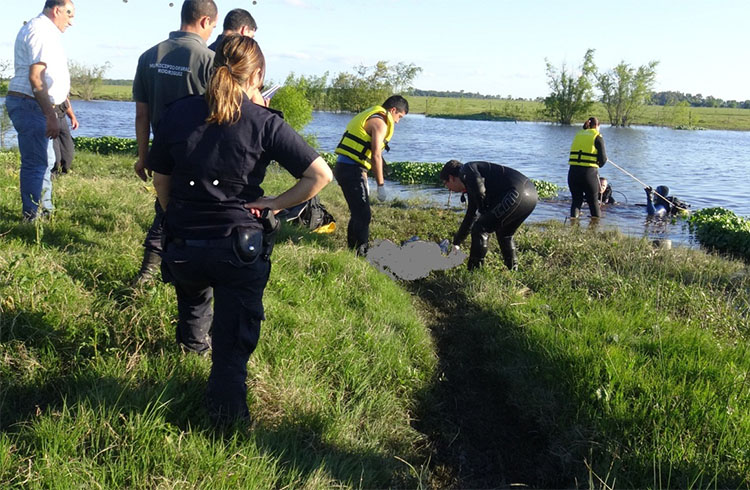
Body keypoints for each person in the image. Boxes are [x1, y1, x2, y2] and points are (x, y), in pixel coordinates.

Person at [149, 35, 332, 424]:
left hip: (185, 243)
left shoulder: (178, 113)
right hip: (238, 247)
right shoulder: (265, 122)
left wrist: (175, 216)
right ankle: (226, 423)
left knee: (194, 301)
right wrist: (274, 205)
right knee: (232, 344)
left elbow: (161, 180)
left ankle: (190, 356)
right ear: (259, 76)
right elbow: (320, 175)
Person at [132, 0, 218, 284]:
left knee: (165, 204)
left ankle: (157, 269)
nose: (211, 33)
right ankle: (159, 271)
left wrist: (143, 156)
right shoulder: (209, 60)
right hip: (198, 152)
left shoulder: (148, 56)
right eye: (213, 27)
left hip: (161, 149)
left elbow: (142, 115)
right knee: (178, 212)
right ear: (205, 21)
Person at [5, 0, 75, 221]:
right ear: (56, 10)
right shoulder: (41, 31)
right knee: (36, 163)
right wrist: (50, 115)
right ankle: (32, 217)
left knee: (44, 160)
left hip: (33, 104)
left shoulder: (44, 31)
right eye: (69, 14)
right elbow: (36, 78)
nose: (71, 21)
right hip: (31, 104)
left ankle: (44, 211)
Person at [333, 95, 409, 254]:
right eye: (399, 116)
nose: (397, 121)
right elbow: (375, 156)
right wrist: (380, 186)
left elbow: (364, 157)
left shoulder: (372, 115)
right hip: (351, 169)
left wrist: (365, 178)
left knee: (358, 212)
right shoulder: (380, 123)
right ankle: (361, 253)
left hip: (348, 167)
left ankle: (352, 251)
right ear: (393, 110)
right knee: (363, 214)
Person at [440, 160, 537, 271]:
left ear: (451, 177)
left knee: (480, 228)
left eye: (445, 183)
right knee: (505, 233)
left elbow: (479, 186)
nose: (448, 188)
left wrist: (483, 210)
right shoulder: (470, 184)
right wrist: (456, 242)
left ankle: (474, 273)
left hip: (518, 193)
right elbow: (470, 217)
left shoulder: (466, 169)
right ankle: (513, 270)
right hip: (530, 195)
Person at [568, 116, 607, 218]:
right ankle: (595, 229)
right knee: (593, 202)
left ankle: (573, 225)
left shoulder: (578, 134)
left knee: (576, 201)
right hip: (588, 173)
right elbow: (603, 160)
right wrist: (598, 163)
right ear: (597, 126)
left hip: (573, 172)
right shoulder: (597, 136)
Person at [52, 99, 78, 175]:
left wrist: (72, 117)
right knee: (55, 158)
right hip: (49, 120)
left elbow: (66, 100)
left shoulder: (62, 88)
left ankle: (63, 175)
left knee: (68, 153)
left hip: (62, 119)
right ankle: (52, 175)